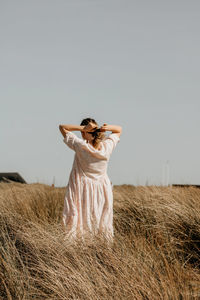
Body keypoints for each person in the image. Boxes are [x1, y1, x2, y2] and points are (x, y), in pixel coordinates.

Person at [59, 118, 122, 244]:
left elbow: (62, 127)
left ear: (84, 132)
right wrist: (106, 128)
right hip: (102, 190)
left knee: (81, 219)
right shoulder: (106, 148)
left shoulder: (80, 146)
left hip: (82, 189)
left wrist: (82, 128)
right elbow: (119, 130)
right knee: (100, 219)